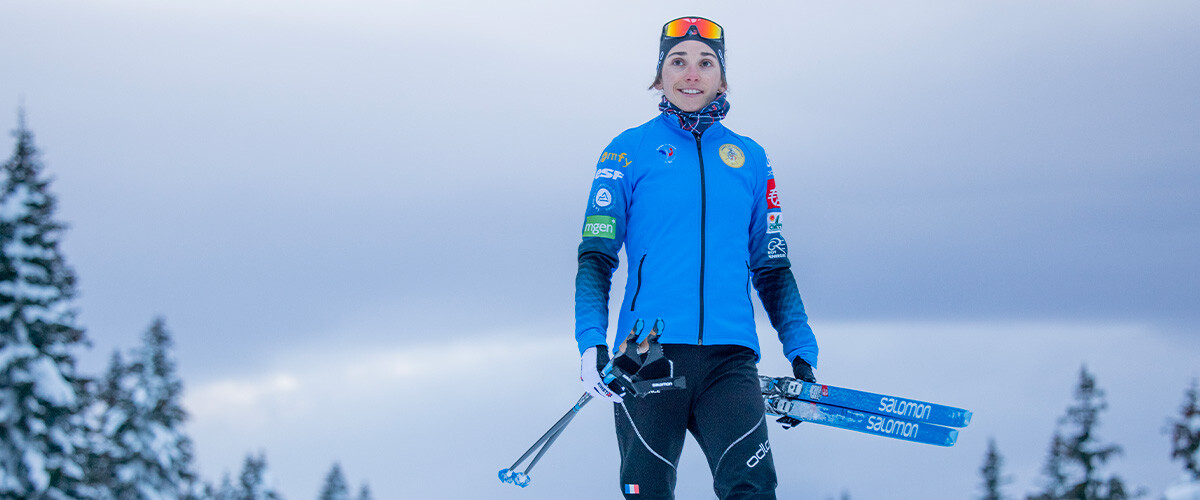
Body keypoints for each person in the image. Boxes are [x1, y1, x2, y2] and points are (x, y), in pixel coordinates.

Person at [574, 16, 819, 500]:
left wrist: (801, 353)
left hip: (730, 358)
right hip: (645, 354)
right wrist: (589, 345)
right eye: (678, 61)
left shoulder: (750, 158)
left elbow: (772, 264)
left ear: (721, 78)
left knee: (752, 489)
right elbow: (596, 257)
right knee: (649, 492)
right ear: (660, 75)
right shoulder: (626, 151)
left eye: (706, 63)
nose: (691, 73)